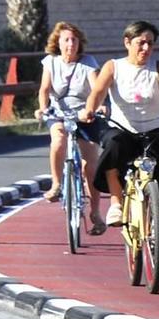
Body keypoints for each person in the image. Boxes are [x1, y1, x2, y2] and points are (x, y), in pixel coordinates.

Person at [83, 20, 159, 260]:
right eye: (140, 43)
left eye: (150, 43)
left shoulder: (157, 67)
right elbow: (98, 92)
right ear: (127, 42)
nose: (145, 48)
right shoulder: (113, 67)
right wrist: (89, 110)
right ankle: (115, 202)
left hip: (154, 132)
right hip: (123, 130)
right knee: (112, 146)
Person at [37, 21, 106, 230]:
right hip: (58, 114)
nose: (70, 44)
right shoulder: (50, 62)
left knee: (90, 165)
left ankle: (95, 212)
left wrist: (99, 107)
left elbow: (96, 89)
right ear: (57, 43)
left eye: (74, 40)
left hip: (84, 115)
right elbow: (44, 89)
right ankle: (57, 183)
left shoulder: (88, 62)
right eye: (66, 40)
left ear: (79, 43)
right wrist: (42, 108)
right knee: (58, 139)